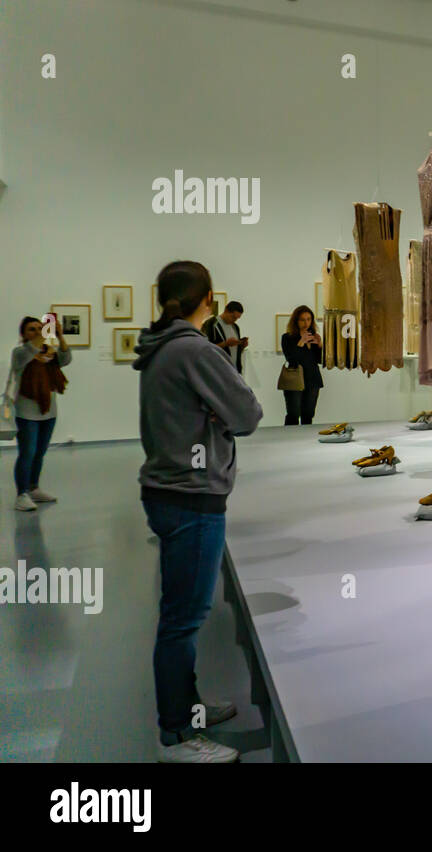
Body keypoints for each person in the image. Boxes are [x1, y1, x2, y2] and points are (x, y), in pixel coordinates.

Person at [133, 260, 263, 762]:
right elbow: (248, 413)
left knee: (182, 613)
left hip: (169, 492)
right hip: (192, 497)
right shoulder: (193, 350)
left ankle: (187, 711)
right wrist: (220, 412)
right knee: (183, 620)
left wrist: (212, 411)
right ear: (207, 298)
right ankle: (175, 736)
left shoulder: (159, 347)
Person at [7, 315, 71, 511]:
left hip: (48, 412)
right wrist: (43, 334)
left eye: (39, 328)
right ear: (23, 334)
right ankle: (21, 494)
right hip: (27, 413)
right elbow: (31, 350)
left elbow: (66, 359)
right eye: (31, 329)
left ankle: (34, 488)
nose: (36, 332)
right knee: (27, 453)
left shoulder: (49, 352)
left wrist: (59, 336)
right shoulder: (20, 352)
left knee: (40, 453)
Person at [281, 306, 323, 426]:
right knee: (293, 414)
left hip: (312, 379)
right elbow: (292, 360)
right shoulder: (287, 337)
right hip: (294, 380)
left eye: (309, 319)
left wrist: (320, 345)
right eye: (302, 320)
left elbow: (320, 361)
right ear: (296, 321)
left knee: (308, 414)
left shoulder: (313, 336)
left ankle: (306, 442)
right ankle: (289, 440)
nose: (306, 323)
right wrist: (301, 342)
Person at [204, 300, 247, 375]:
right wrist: (225, 344)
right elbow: (205, 348)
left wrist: (241, 346)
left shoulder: (235, 327)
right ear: (226, 311)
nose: (234, 320)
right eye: (233, 317)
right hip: (218, 370)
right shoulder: (211, 324)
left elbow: (234, 351)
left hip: (234, 370)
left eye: (237, 318)